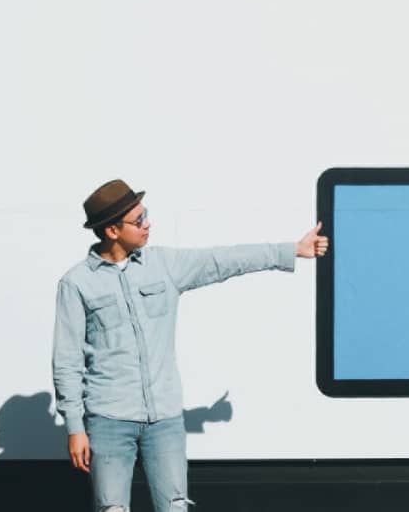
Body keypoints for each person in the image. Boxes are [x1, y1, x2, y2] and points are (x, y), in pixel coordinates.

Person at [52, 179, 327, 512]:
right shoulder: (77, 283)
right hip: (108, 420)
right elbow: (66, 361)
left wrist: (291, 250)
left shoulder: (164, 265)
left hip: (165, 421)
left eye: (145, 214)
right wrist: (75, 428)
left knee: (175, 508)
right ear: (112, 231)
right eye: (138, 220)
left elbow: (222, 260)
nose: (147, 224)